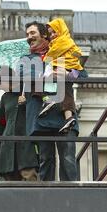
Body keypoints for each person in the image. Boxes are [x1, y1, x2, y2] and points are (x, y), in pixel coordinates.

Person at [19, 21, 79, 181]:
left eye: (32, 33)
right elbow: (24, 76)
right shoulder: (27, 58)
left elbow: (82, 73)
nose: (29, 37)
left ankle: (72, 196)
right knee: (46, 160)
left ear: (44, 34)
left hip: (63, 115)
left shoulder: (62, 51)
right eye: (27, 35)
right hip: (41, 119)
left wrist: (67, 74)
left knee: (68, 160)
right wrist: (45, 76)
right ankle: (46, 197)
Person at [39, 18, 88, 133]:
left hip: (65, 67)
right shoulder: (50, 50)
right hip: (44, 125)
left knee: (64, 87)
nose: (52, 35)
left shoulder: (64, 42)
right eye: (49, 34)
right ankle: (49, 101)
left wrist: (68, 74)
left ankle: (68, 118)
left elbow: (83, 75)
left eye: (54, 32)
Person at [0, 66, 39, 181]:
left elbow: (36, 112)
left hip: (25, 141)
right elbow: (0, 122)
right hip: (8, 143)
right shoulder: (5, 97)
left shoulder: (27, 91)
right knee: (9, 181)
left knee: (29, 176)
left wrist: (26, 104)